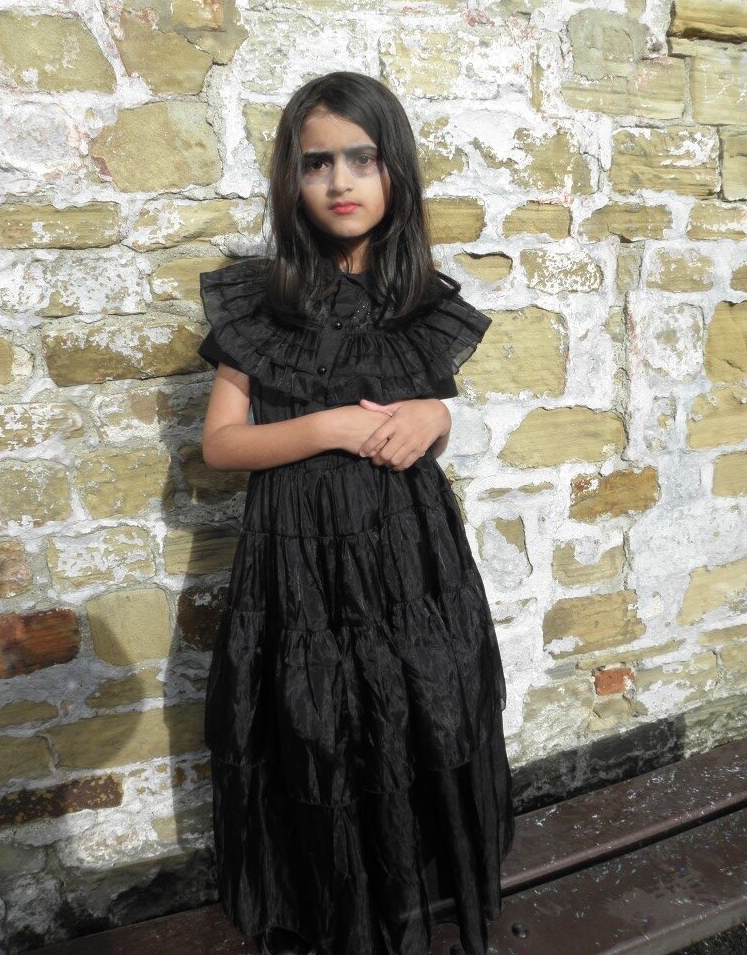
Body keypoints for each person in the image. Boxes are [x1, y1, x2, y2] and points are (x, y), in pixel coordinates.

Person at [196, 71, 515, 955]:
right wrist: (328, 426)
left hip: (410, 559)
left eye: (362, 159)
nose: (340, 181)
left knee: (418, 706)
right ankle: (329, 903)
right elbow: (221, 445)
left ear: (394, 171)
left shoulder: (420, 302)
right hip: (300, 563)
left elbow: (423, 426)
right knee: (321, 723)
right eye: (317, 163)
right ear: (292, 179)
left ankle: (416, 887)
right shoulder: (261, 300)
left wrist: (437, 416)